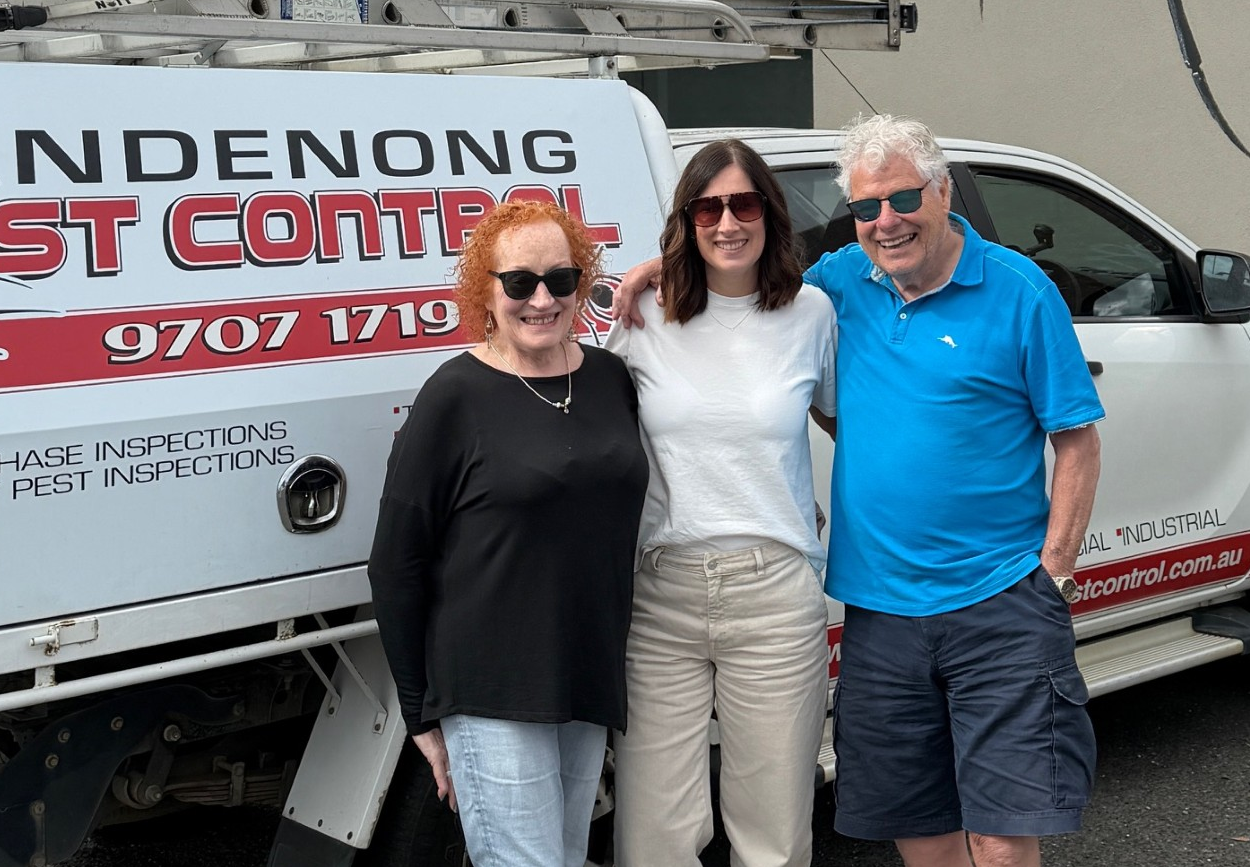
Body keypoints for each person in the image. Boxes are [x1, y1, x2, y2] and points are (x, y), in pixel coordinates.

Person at [617, 114, 1104, 867]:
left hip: (999, 598)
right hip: (879, 611)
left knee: (1000, 836)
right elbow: (745, 295)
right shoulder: (838, 285)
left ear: (943, 192)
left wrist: (1055, 573)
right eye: (867, 207)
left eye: (904, 198)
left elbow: (1077, 438)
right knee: (922, 830)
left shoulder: (1017, 289)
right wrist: (666, 262)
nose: (887, 221)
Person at [368, 200, 649, 867]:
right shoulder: (454, 395)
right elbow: (395, 562)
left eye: (561, 279)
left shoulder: (609, 377)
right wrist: (420, 714)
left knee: (568, 855)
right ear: (486, 291)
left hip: (585, 675)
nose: (542, 299)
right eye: (520, 282)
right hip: (491, 688)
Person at [605, 139, 837, 867]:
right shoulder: (644, 314)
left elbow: (847, 423)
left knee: (773, 837)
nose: (728, 223)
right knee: (653, 837)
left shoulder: (812, 312)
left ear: (770, 212)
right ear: (687, 220)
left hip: (775, 596)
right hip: (661, 595)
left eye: (744, 204)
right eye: (708, 208)